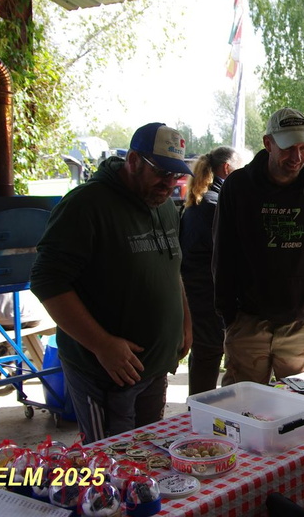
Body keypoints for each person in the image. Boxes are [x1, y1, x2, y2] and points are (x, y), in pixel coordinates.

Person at [30, 122, 193, 443]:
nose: (169, 183)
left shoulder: (164, 206)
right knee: (108, 463)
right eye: (161, 172)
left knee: (147, 455)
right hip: (104, 373)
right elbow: (47, 281)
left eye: (176, 174)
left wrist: (185, 322)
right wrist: (102, 344)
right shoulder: (86, 205)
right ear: (133, 161)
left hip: (154, 368)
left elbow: (171, 268)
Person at [212, 107, 304, 385]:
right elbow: (223, 255)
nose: (296, 157)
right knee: (242, 405)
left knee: (301, 406)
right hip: (248, 323)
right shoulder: (238, 186)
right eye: (288, 148)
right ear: (268, 143)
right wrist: (229, 316)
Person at [180, 147, 243, 395]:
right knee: (208, 355)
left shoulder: (202, 200)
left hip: (197, 291)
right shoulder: (214, 204)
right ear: (227, 168)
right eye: (240, 168)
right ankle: (200, 411)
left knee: (204, 355)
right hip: (207, 293)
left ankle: (198, 407)